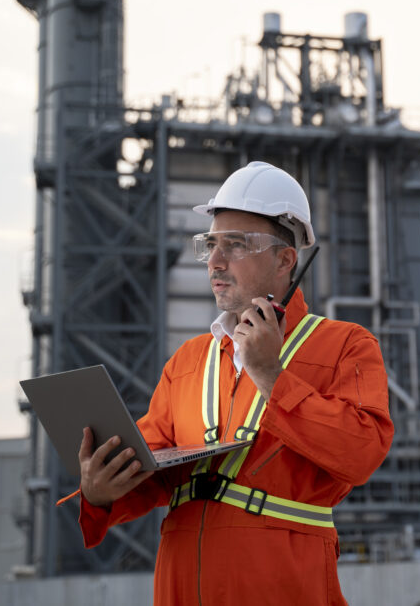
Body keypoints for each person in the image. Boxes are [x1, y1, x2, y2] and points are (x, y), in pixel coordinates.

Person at [72, 161, 394, 605]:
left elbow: (361, 452)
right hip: (180, 588)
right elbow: (149, 468)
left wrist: (271, 376)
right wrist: (100, 491)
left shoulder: (344, 346)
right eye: (211, 245)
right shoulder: (187, 362)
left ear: (286, 259)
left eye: (236, 245)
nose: (216, 262)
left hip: (282, 587)